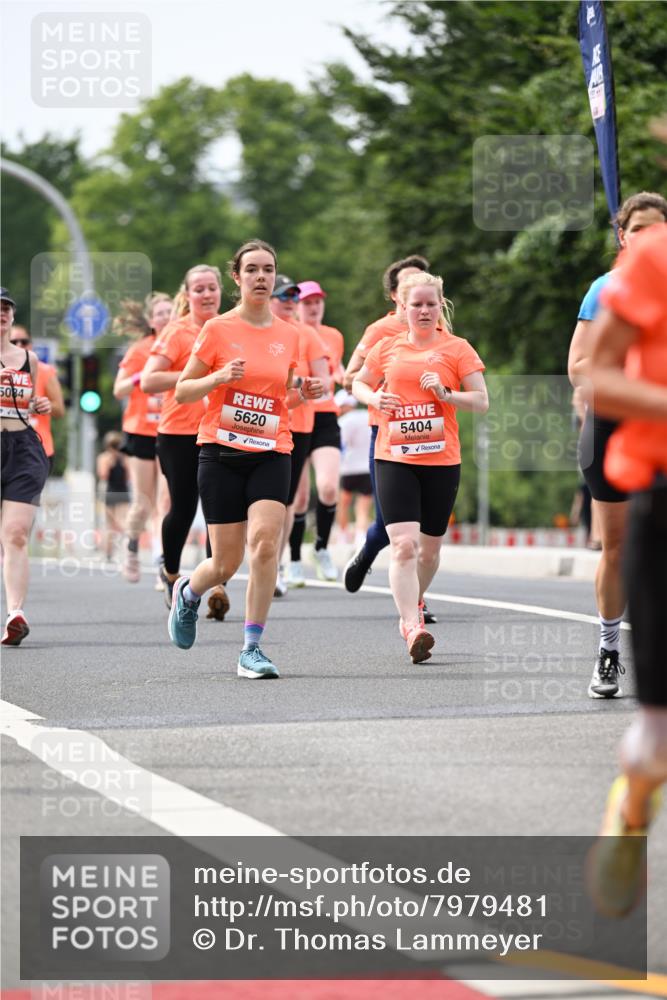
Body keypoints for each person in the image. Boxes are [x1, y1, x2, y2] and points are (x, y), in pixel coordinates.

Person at [166, 240, 323, 678]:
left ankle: (251, 648)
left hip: (272, 450)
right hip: (220, 452)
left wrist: (302, 392)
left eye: (268, 270)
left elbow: (282, 398)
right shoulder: (217, 329)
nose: (260, 277)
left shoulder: (289, 334)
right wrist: (218, 375)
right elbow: (182, 390)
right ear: (236, 277)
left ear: (274, 277)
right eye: (251, 269)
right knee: (226, 563)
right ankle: (188, 593)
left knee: (266, 543)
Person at [586, 222, 667, 917]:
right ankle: (633, 804)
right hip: (663, 499)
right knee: (658, 741)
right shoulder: (653, 259)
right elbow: (598, 377)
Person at [352, 272, 487, 663]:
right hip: (394, 456)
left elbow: (481, 401)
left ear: (440, 305)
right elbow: (358, 383)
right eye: (417, 304)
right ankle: (412, 624)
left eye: (431, 304)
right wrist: (374, 398)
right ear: (404, 307)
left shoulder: (458, 348)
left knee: (428, 553)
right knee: (404, 546)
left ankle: (414, 601)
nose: (424, 311)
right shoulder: (387, 346)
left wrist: (446, 394)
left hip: (441, 459)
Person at [568, 191, 667, 698]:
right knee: (618, 545)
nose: (649, 235)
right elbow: (579, 367)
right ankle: (609, 650)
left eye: (658, 227)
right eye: (639, 227)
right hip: (611, 427)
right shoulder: (606, 289)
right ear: (622, 235)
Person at [342, 255, 438, 624]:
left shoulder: (439, 327)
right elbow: (351, 377)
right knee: (390, 520)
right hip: (386, 431)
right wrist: (384, 387)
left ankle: (418, 600)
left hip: (431, 436)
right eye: (408, 287)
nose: (418, 294)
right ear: (395, 295)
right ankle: (366, 554)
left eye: (423, 284)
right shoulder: (379, 331)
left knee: (425, 528)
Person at [141, 265, 230, 620]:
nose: (207, 295)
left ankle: (217, 582)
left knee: (219, 508)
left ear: (221, 292)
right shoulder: (177, 332)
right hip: (178, 432)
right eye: (199, 289)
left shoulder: (229, 328)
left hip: (222, 429)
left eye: (212, 288)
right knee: (183, 506)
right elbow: (148, 381)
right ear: (187, 295)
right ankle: (173, 573)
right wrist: (196, 375)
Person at [268, 276, 328, 597]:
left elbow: (324, 382)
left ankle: (274, 567)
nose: (290, 301)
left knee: (286, 502)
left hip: (296, 426)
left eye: (294, 296)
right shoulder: (258, 329)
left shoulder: (306, 335)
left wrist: (304, 387)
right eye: (284, 296)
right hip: (256, 423)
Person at [1, 288, 52, 646]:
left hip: (22, 450)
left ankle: (15, 613)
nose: (2, 314)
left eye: (6, 309)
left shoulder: (28, 359)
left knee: (16, 534)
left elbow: (26, 402)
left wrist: (39, 403)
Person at [287, 281, 345, 585]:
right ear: (296, 305)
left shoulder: (334, 336)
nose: (313, 307)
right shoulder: (289, 332)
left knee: (328, 488)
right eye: (307, 302)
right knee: (296, 497)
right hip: (294, 415)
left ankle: (321, 547)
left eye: (318, 301)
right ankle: (294, 558)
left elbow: (336, 371)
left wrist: (342, 377)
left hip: (325, 417)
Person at [113, 293, 172, 584]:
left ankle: (163, 562)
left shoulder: (182, 346)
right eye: (160, 313)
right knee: (143, 502)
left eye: (169, 311)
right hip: (141, 431)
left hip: (171, 430)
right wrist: (141, 378)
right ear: (151, 320)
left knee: (166, 500)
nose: (165, 317)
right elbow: (118, 390)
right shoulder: (140, 350)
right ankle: (132, 545)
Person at [9, 326, 65, 474]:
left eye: (24, 341)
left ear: (31, 345)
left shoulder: (45, 371)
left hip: (38, 448)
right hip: (7, 448)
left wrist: (42, 405)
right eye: (13, 342)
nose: (19, 346)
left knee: (25, 497)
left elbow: (59, 410)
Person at [334, 389, 373, 544]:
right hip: (367, 468)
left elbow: (340, 446)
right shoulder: (367, 416)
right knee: (362, 507)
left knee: (343, 504)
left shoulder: (343, 422)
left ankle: (343, 536)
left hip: (348, 468)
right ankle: (360, 535)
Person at [96, 430, 130, 561]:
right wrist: (110, 462)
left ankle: (126, 551)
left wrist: (122, 461)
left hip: (122, 491)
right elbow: (103, 475)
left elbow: (128, 477)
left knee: (122, 523)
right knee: (110, 524)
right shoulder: (104, 458)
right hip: (110, 491)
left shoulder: (125, 458)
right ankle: (108, 553)